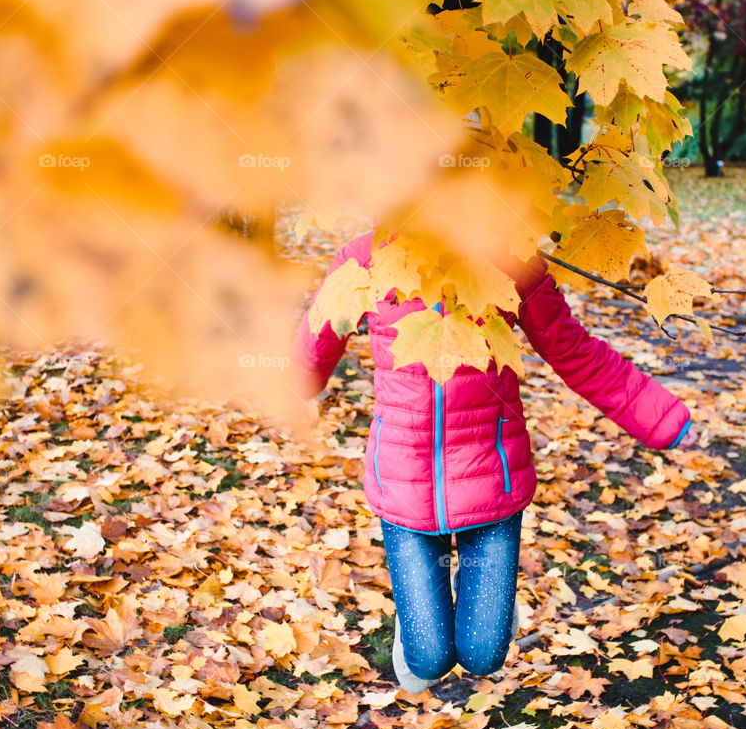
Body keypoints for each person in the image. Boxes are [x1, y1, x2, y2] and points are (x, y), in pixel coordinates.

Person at [290, 227, 698, 694]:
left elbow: (575, 350)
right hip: (403, 484)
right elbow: (316, 337)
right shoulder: (365, 259)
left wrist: (664, 419)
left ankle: (490, 604)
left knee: (484, 656)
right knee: (427, 660)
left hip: (493, 479)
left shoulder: (507, 258)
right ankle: (427, 620)